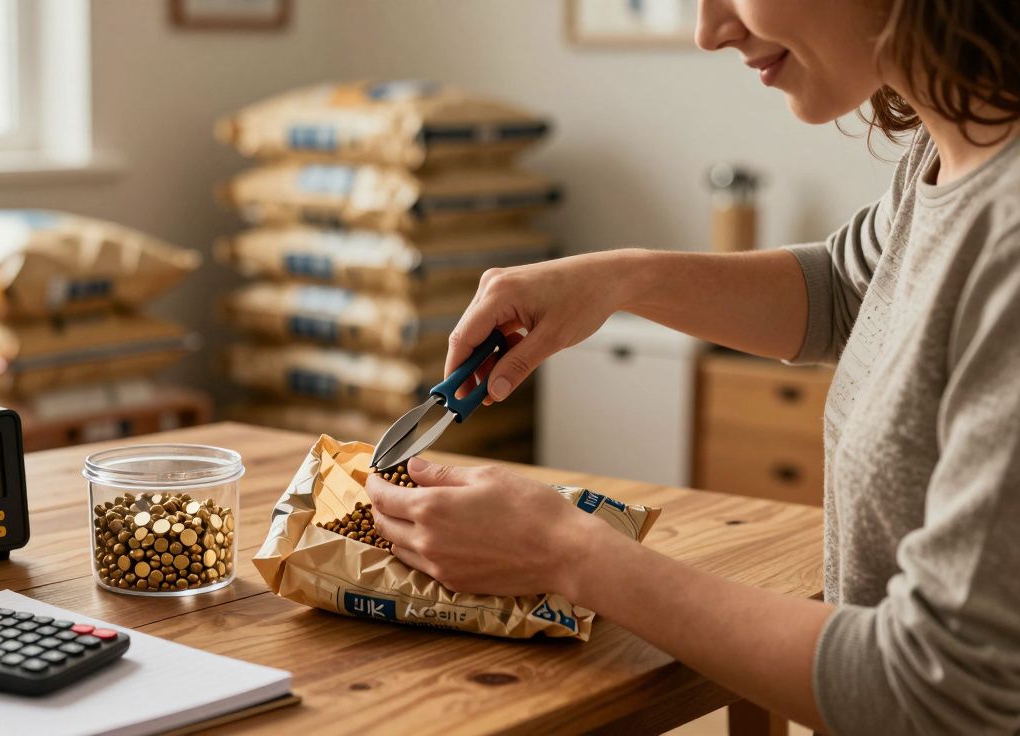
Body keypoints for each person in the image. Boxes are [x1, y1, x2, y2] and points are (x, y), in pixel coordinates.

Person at [364, 1, 1020, 733]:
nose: (711, 31)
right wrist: (620, 279)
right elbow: (846, 292)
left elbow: (941, 693)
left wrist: (566, 554)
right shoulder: (951, 149)